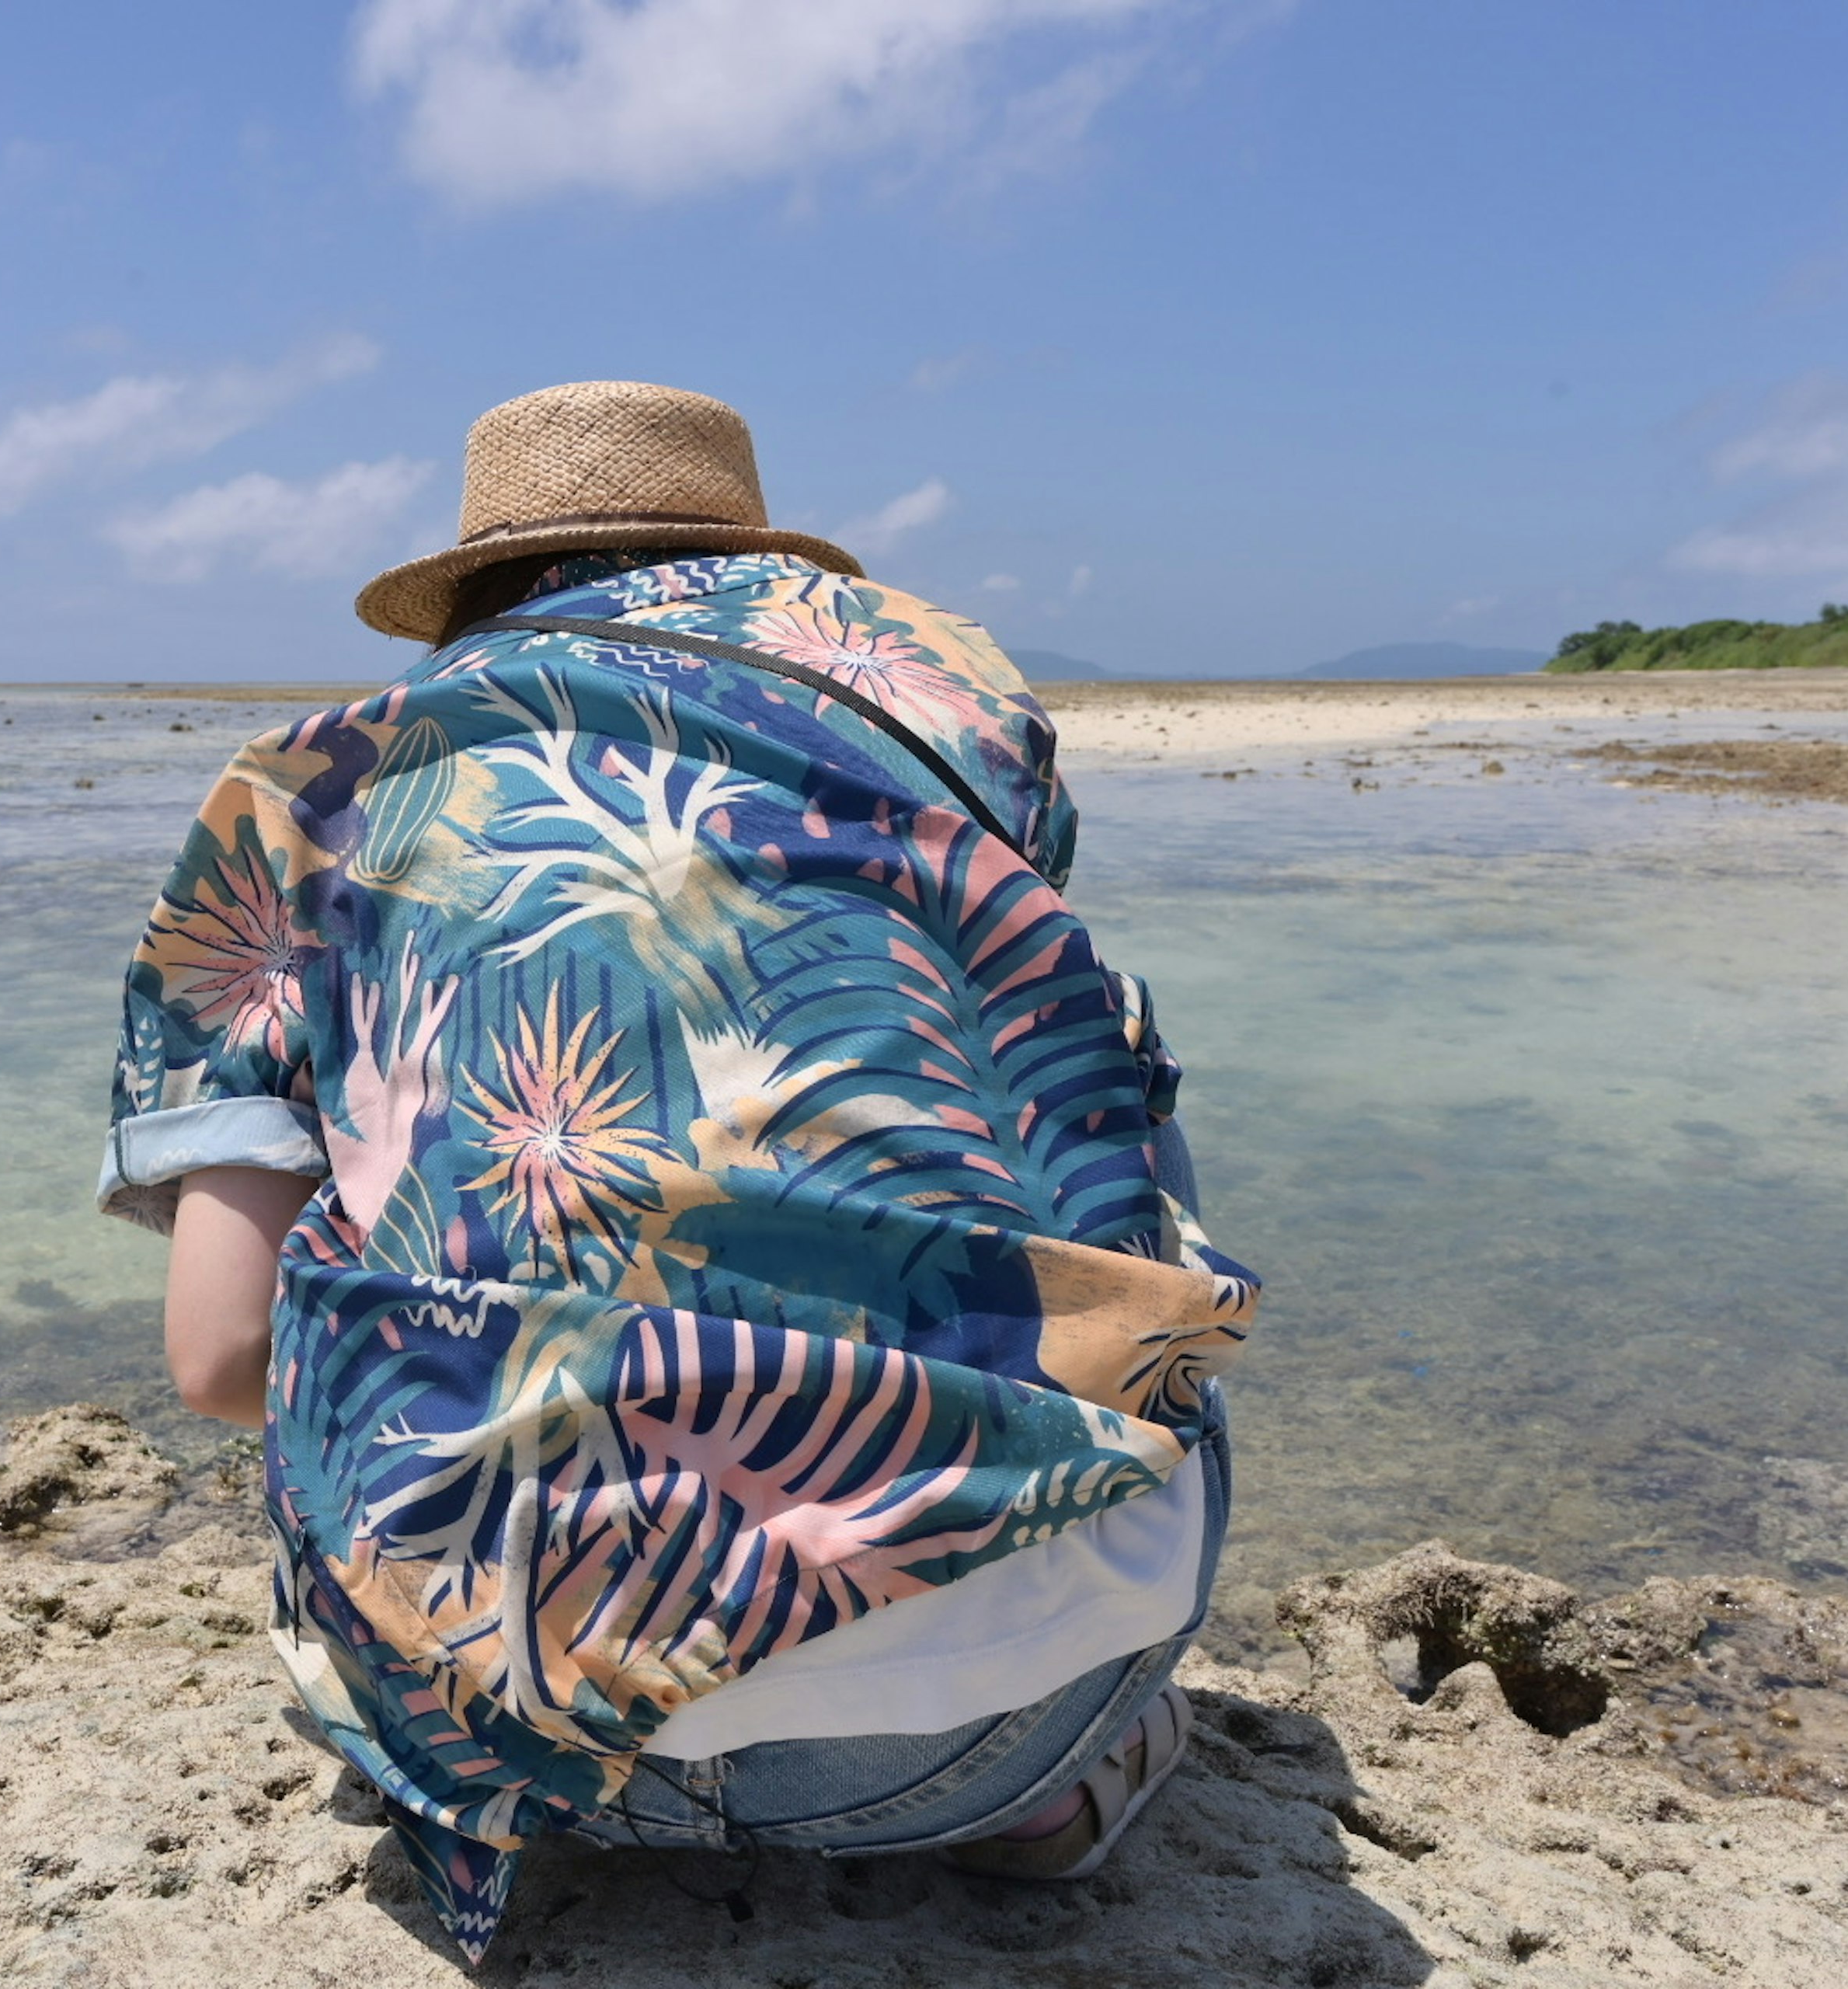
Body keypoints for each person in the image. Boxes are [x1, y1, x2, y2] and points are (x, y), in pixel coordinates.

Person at [98, 381, 1257, 1962]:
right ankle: (1038, 1790)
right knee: (1100, 1073)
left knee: (352, 1282)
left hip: (520, 1718)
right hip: (986, 1713)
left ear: (473, 604)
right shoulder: (938, 714)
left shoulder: (318, 798)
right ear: (763, 572)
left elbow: (223, 1358)